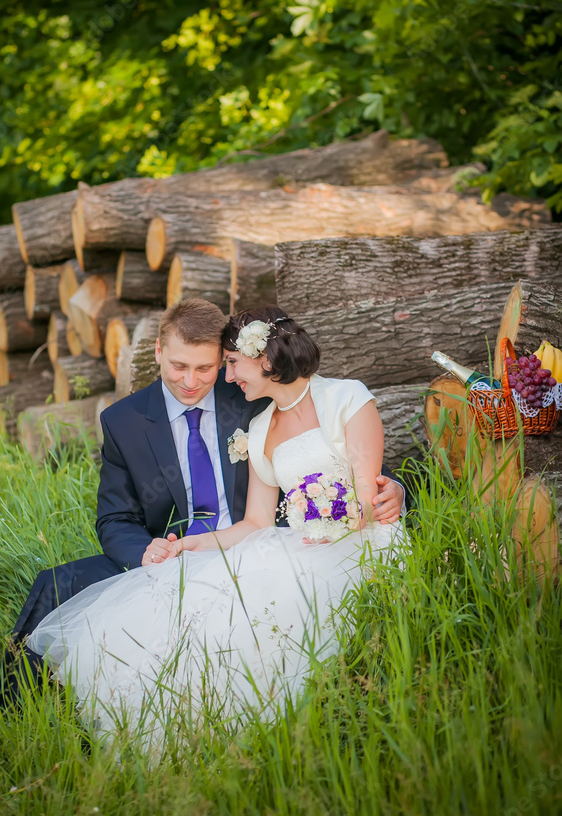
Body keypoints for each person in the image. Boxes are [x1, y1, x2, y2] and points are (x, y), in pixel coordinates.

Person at [25, 305, 406, 746]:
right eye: (178, 366)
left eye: (210, 366)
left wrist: (391, 489)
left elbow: (359, 468)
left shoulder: (249, 399)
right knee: (61, 587)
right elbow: (120, 518)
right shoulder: (132, 421)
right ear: (158, 352)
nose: (196, 380)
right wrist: (170, 548)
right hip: (208, 545)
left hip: (309, 543)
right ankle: (24, 708)